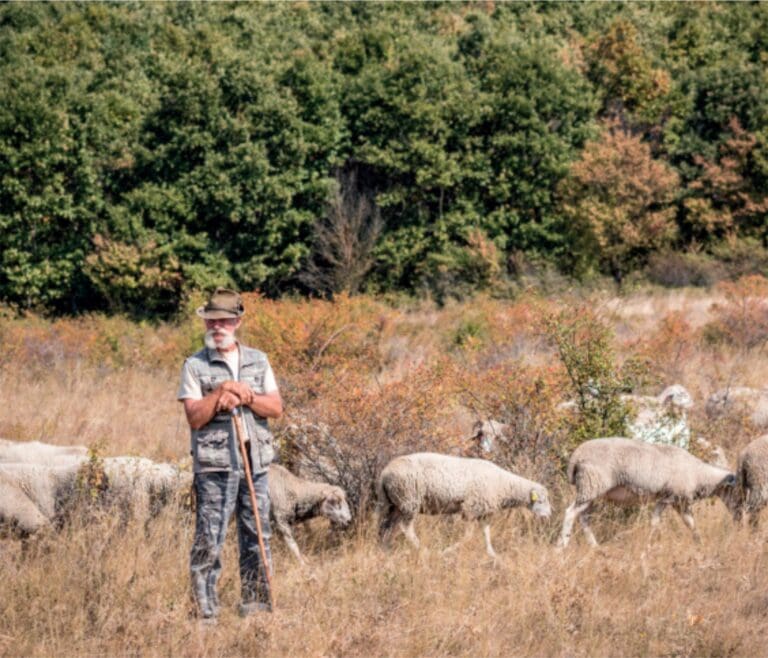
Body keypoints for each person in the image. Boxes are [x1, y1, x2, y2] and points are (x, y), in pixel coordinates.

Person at [177, 287, 283, 622]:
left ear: (237, 322)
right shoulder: (194, 365)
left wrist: (246, 396)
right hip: (215, 465)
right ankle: (205, 613)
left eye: (223, 321)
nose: (216, 327)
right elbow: (195, 416)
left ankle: (257, 609)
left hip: (256, 463)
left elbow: (276, 407)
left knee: (257, 535)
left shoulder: (258, 360)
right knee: (209, 537)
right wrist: (222, 391)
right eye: (211, 321)